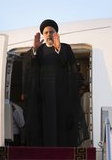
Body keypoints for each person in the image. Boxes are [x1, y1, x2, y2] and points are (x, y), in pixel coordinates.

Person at [22, 19, 89, 147]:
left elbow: (69, 65)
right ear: (43, 35)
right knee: (43, 123)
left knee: (62, 124)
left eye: (51, 32)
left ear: (56, 33)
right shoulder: (39, 50)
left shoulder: (65, 48)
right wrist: (34, 52)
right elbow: (30, 68)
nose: (49, 34)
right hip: (43, 97)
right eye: (46, 32)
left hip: (61, 95)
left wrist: (59, 49)